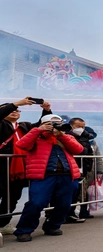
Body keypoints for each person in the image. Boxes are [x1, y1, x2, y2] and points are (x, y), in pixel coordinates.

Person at [13, 114, 84, 242]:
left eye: (59, 123)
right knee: (36, 202)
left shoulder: (66, 136)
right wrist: (38, 130)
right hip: (43, 176)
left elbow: (78, 149)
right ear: (44, 124)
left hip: (67, 175)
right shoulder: (36, 136)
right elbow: (22, 144)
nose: (56, 126)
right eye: (52, 124)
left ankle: (53, 226)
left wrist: (61, 135)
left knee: (64, 204)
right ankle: (24, 230)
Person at [0, 97, 52, 231]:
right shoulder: (1, 124)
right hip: (2, 167)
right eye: (11, 110)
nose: (15, 111)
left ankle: (2, 224)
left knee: (12, 198)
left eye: (17, 110)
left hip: (18, 170)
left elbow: (41, 126)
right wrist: (16, 103)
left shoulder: (24, 126)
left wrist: (46, 111)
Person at [65, 117, 99, 223]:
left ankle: (72, 213)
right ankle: (65, 214)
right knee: (68, 192)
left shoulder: (86, 138)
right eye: (78, 126)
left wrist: (89, 167)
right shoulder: (66, 136)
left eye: (83, 126)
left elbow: (90, 153)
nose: (81, 128)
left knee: (78, 192)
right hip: (69, 169)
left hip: (82, 169)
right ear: (71, 126)